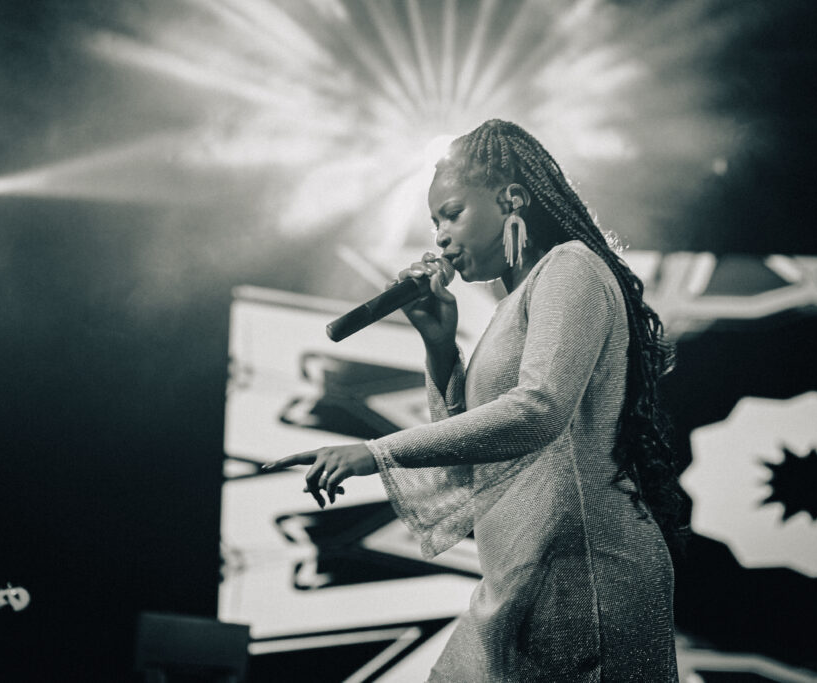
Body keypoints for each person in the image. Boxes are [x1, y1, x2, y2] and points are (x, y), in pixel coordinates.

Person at [262, 119, 684, 682]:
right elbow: (471, 461)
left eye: (452, 213)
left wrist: (376, 452)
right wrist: (440, 347)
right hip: (525, 572)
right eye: (435, 222)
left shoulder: (571, 267)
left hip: (582, 572)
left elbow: (539, 411)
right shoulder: (514, 306)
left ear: (512, 199)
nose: (439, 237)